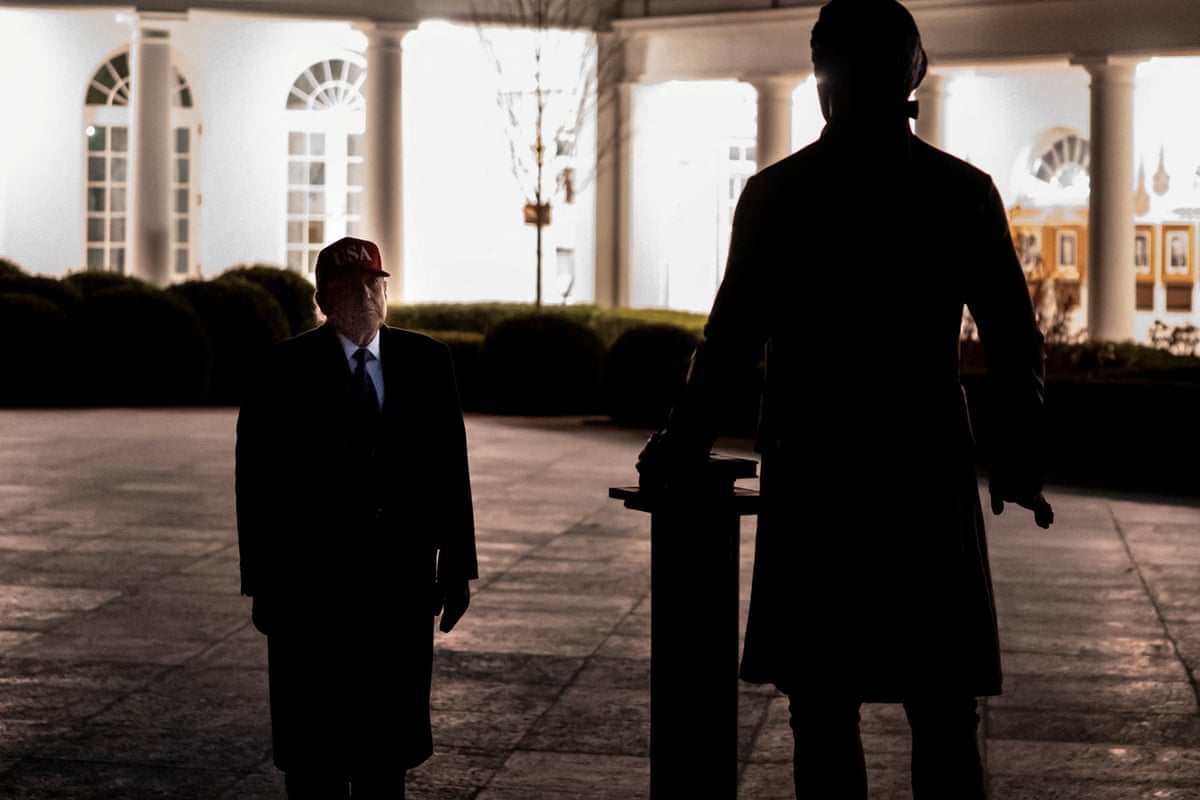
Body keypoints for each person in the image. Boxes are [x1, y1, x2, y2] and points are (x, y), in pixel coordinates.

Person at [636, 1, 1053, 798]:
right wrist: (1018, 449)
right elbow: (1013, 338)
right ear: (912, 76)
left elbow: (728, 346)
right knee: (943, 705)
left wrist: (680, 444)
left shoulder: (778, 195)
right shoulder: (960, 191)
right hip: (923, 469)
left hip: (816, 469)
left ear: (823, 79)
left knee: (822, 706)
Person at [236, 236, 477, 799]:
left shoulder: (427, 361)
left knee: (385, 754)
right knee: (314, 754)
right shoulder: (279, 369)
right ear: (323, 300)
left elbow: (450, 468)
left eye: (374, 282)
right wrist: (261, 583)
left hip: (399, 588)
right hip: (309, 592)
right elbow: (256, 483)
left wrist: (457, 568)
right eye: (349, 286)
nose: (366, 295)